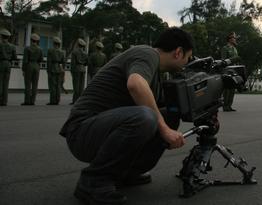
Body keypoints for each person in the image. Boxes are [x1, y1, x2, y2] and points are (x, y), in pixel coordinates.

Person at [59, 27, 193, 204]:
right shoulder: (147, 54)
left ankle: (126, 173)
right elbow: (135, 85)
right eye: (188, 58)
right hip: (82, 131)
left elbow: (169, 106)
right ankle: (93, 181)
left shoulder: (157, 75)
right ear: (178, 52)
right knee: (146, 117)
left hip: (101, 128)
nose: (187, 63)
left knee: (170, 114)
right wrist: (165, 130)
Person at [221, 31, 240, 112]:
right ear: (229, 39)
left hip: (234, 70)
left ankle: (229, 105)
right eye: (233, 38)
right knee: (227, 89)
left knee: (232, 88)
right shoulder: (225, 48)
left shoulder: (235, 49)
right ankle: (225, 106)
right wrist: (233, 60)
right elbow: (223, 61)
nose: (235, 39)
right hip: (227, 70)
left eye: (235, 38)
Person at [22, 33, 43, 105]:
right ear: (37, 41)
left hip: (29, 65)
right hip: (36, 66)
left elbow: (25, 60)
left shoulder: (27, 48)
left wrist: (23, 69)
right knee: (35, 84)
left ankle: (27, 100)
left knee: (28, 84)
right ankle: (33, 101)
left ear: (31, 40)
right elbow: (41, 59)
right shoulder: (40, 49)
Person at [0, 29, 17, 106]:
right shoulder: (12, 46)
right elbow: (14, 57)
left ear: (1, 36)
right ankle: (4, 101)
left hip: (1, 63)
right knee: (6, 83)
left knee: (0, 82)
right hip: (8, 64)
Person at [47, 37, 66, 105]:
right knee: (58, 86)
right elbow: (63, 62)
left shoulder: (50, 51)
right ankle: (57, 100)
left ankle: (52, 100)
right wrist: (62, 70)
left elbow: (49, 62)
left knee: (52, 85)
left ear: (54, 43)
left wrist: (48, 71)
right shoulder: (62, 52)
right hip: (59, 69)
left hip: (52, 68)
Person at [71, 38, 88, 104]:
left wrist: (71, 71)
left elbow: (73, 63)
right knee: (81, 86)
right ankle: (80, 100)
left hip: (76, 69)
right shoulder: (85, 53)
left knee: (76, 86)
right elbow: (87, 63)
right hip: (83, 69)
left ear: (78, 44)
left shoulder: (74, 52)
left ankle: (75, 100)